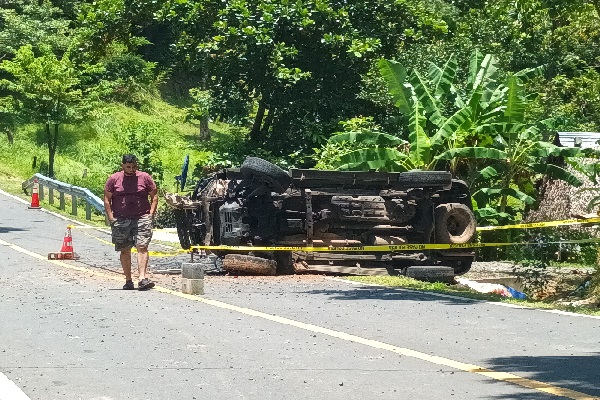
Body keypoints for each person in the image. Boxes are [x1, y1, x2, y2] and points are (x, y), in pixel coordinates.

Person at [104, 154, 158, 290]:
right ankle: (128, 280)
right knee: (125, 249)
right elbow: (107, 198)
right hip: (121, 219)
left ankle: (142, 278)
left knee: (142, 246)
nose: (131, 169)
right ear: (122, 166)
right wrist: (111, 218)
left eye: (134, 166)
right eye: (128, 166)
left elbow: (154, 196)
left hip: (142, 217)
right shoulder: (113, 179)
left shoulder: (145, 177)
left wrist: (150, 214)